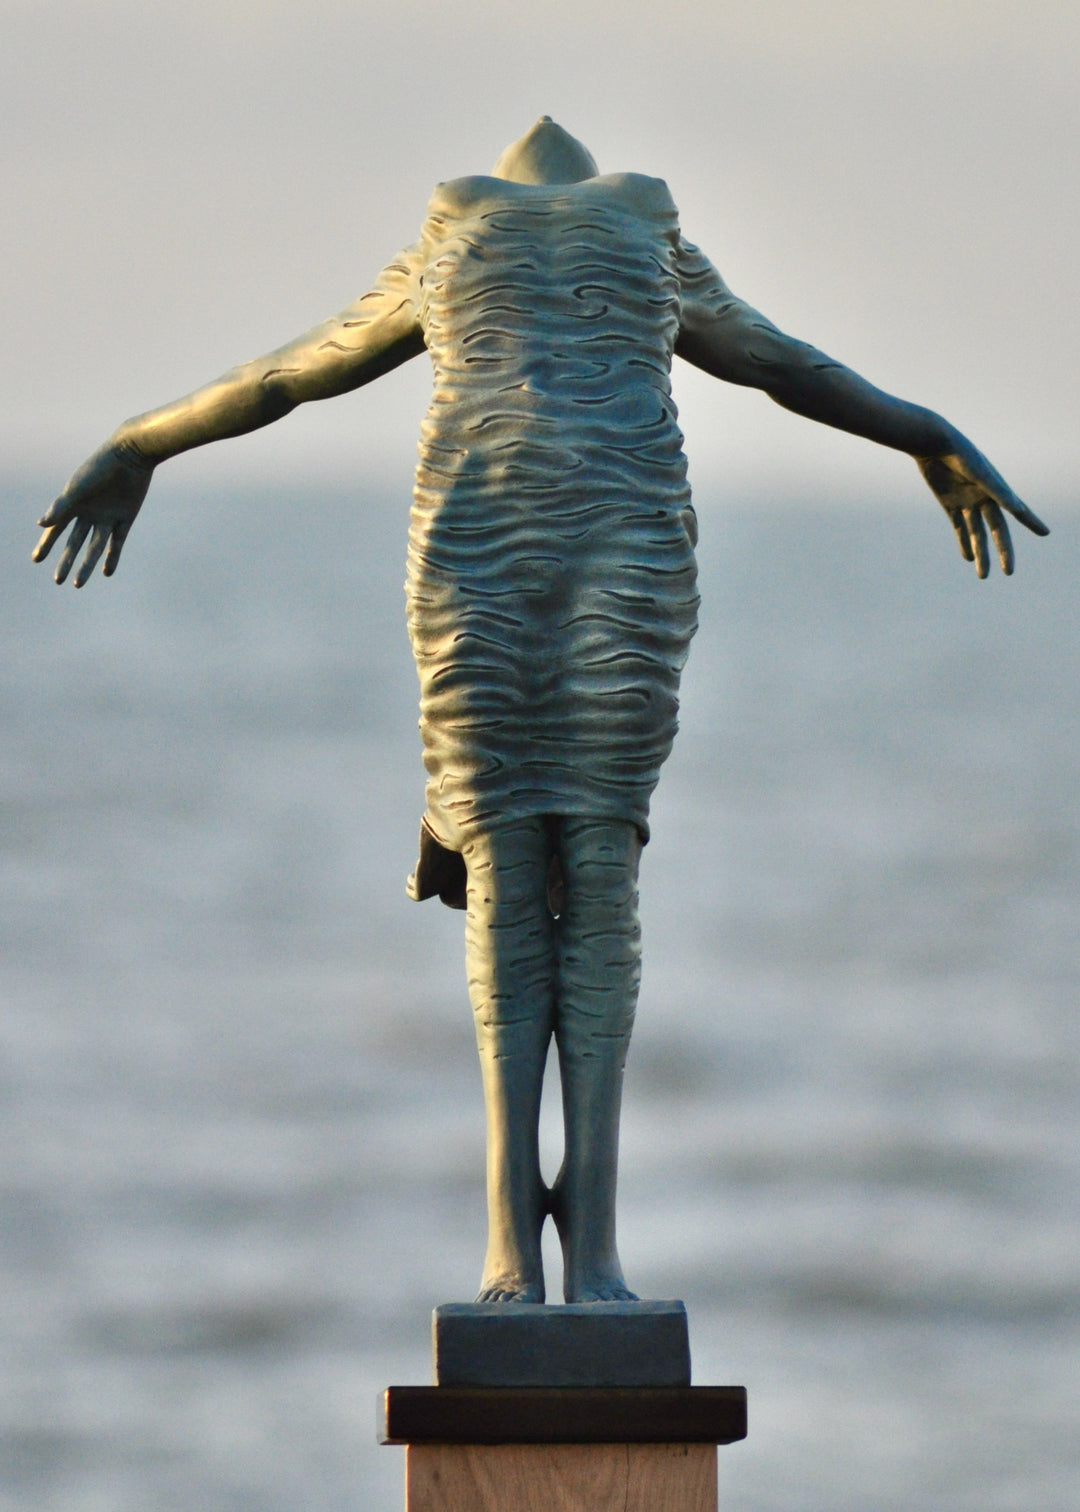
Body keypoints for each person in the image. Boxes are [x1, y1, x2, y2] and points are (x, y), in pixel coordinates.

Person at [33, 117, 1048, 1304]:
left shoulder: (456, 232)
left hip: (478, 554)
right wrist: (924, 432)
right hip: (619, 555)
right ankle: (592, 1252)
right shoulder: (643, 229)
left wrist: (136, 441)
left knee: (512, 881)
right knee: (600, 878)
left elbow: (285, 375)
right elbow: (784, 363)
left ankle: (515, 1245)